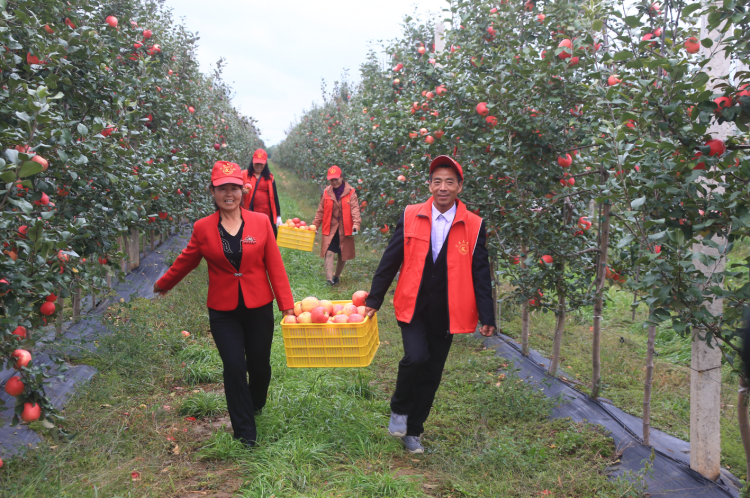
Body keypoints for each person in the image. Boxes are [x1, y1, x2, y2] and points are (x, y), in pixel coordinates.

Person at [153, 160, 294, 448]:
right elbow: (187, 260)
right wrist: (163, 284)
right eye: (221, 189)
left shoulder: (260, 222)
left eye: (233, 188)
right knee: (233, 365)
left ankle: (254, 405)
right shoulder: (203, 228)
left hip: (258, 305)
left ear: (242, 190)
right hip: (223, 309)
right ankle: (245, 432)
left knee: (259, 366)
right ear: (212, 192)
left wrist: (287, 307)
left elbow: (274, 266)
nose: (228, 194)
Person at [363, 155, 496, 454]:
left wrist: (487, 315)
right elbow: (391, 257)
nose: (443, 187)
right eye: (437, 181)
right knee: (415, 358)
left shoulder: (473, 225)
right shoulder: (411, 214)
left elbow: (480, 271)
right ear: (430, 185)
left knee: (433, 371)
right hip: (413, 303)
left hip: (448, 309)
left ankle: (414, 430)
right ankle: (399, 407)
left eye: (450, 182)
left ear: (460, 186)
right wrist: (375, 298)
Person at [312, 165, 361, 286]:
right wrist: (315, 225)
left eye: (336, 179)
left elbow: (355, 209)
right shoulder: (326, 192)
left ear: (342, 177)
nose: (334, 182)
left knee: (342, 253)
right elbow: (321, 211)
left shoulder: (351, 192)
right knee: (329, 250)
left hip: (346, 227)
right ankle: (329, 280)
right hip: (331, 226)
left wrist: (356, 224)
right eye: (331, 180)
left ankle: (336, 276)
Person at [242, 148, 282, 238]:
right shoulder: (244, 174)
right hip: (249, 213)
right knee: (251, 235)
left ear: (265, 163)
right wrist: (241, 190)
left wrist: (278, 215)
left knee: (264, 236)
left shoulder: (269, 177)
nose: (259, 166)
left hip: (265, 214)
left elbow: (275, 196)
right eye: (257, 163)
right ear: (252, 162)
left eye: (261, 163)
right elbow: (234, 189)